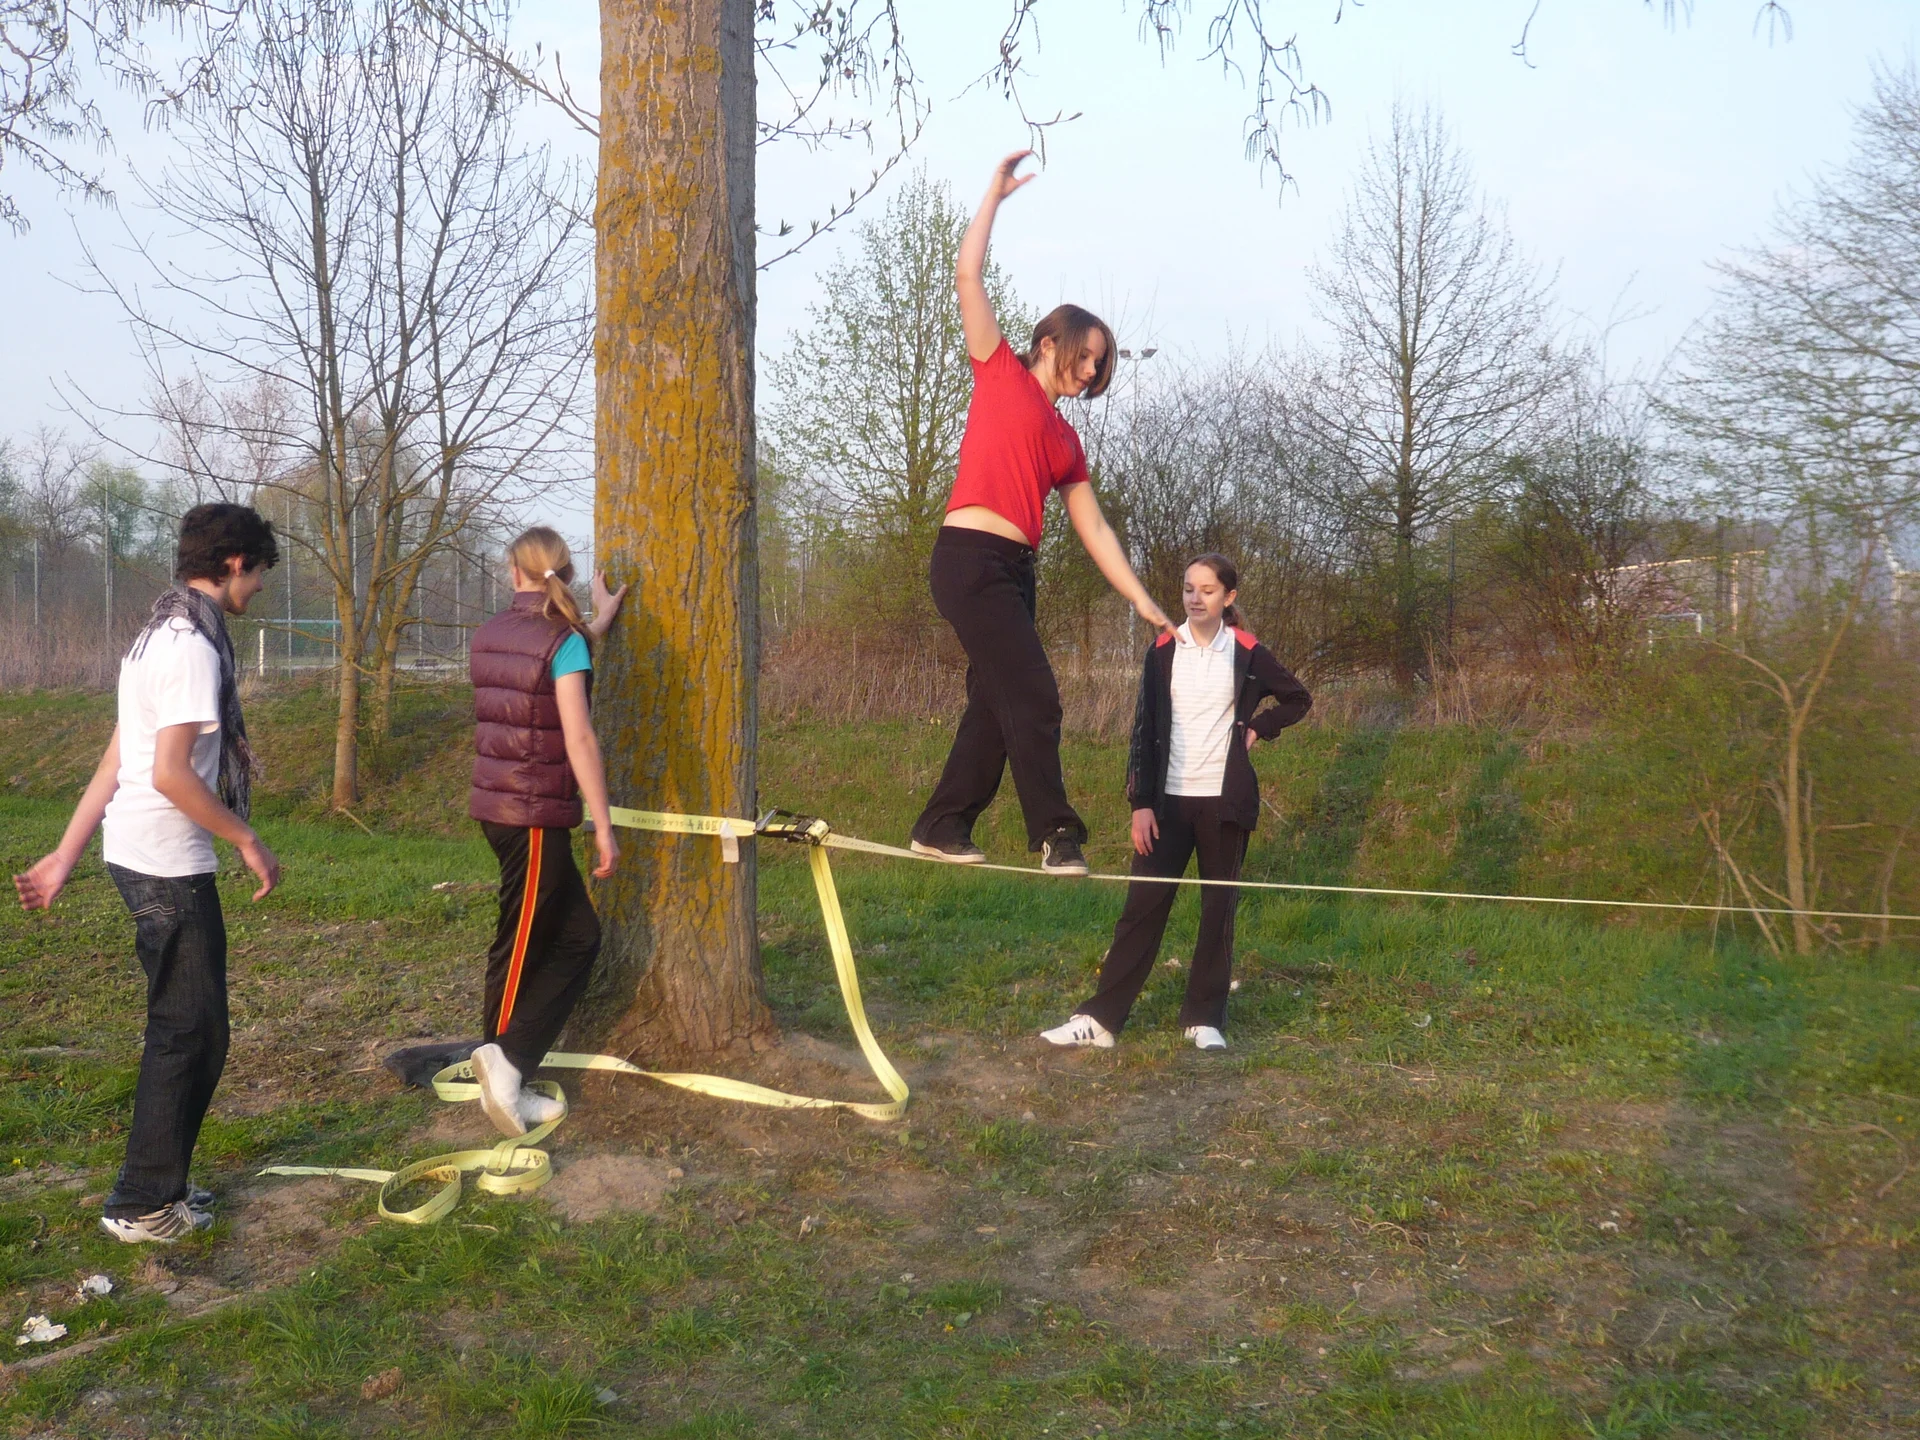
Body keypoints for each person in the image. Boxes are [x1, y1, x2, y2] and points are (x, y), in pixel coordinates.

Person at [15, 503, 282, 1243]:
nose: (258, 587)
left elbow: (119, 757)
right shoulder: (191, 647)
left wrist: (65, 854)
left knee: (201, 1031)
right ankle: (139, 1204)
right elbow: (166, 773)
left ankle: (160, 1187)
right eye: (258, 572)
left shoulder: (156, 634)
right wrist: (246, 839)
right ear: (234, 564)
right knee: (186, 1034)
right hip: (165, 865)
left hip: (140, 856)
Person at [909, 150, 1175, 877]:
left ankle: (941, 823)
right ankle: (1059, 832)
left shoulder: (1066, 438)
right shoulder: (998, 370)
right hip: (967, 558)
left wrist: (1146, 601)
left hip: (1017, 572)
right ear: (1049, 342)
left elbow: (1093, 529)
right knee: (1035, 693)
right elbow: (967, 277)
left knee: (995, 708)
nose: (1091, 373)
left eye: (1101, 366)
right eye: (1085, 357)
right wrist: (991, 196)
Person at [1042, 554, 1311, 1052]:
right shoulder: (1163, 649)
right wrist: (1140, 803)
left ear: (1228, 598)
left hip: (1224, 805)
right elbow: (1143, 731)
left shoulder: (1248, 651)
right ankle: (1101, 1020)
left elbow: (1298, 698)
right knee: (1140, 910)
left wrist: (1259, 727)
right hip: (1165, 807)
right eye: (1189, 588)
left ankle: (1204, 1018)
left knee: (1217, 910)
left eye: (1207, 590)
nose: (1195, 598)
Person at [465, 527, 628, 1139]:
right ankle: (503, 1070)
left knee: (579, 936)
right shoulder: (561, 641)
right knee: (521, 940)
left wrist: (598, 620)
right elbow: (579, 736)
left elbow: (548, 663)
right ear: (561, 571)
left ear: (514, 572)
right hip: (533, 817)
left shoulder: (492, 635)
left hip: (500, 808)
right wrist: (603, 826)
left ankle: (503, 1060)